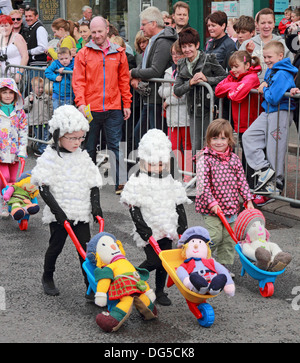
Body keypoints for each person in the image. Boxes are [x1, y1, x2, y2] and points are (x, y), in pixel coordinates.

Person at [31, 105, 103, 297]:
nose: (77, 142)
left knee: (86, 251)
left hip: (80, 211)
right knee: (56, 246)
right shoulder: (50, 157)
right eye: (72, 138)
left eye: (80, 138)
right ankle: (47, 276)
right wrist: (58, 213)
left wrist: (96, 207)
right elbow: (43, 187)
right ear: (58, 136)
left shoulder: (83, 157)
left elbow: (93, 182)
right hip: (59, 212)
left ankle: (90, 285)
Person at [120, 129, 191, 305]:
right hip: (149, 229)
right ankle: (131, 278)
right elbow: (133, 207)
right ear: (144, 162)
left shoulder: (170, 181)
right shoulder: (137, 182)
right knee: (154, 260)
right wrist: (143, 229)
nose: (157, 168)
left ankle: (160, 291)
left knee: (165, 262)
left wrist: (182, 226)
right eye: (152, 164)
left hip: (167, 227)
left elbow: (178, 204)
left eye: (160, 164)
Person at [72, 16, 132, 195]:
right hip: (91, 108)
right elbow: (78, 82)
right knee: (89, 147)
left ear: (107, 30)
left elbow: (124, 80)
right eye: (94, 32)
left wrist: (126, 103)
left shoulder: (119, 52)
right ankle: (88, 181)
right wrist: (81, 104)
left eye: (100, 31)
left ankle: (120, 182)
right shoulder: (83, 53)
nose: (97, 35)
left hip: (114, 107)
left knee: (115, 145)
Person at [195, 118, 254, 273]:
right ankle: (199, 258)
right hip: (211, 208)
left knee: (228, 240)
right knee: (215, 236)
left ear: (229, 140)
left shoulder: (234, 159)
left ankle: (222, 268)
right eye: (215, 138)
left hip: (231, 207)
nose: (219, 142)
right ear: (209, 140)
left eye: (223, 138)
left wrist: (247, 199)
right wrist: (212, 203)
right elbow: (203, 185)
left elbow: (242, 180)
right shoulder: (204, 159)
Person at [242, 41, 298, 197]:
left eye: (269, 57)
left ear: (281, 56)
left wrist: (265, 88)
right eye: (264, 57)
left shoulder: (283, 73)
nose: (266, 60)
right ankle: (265, 171)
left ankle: (275, 183)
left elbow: (273, 97)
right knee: (249, 136)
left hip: (280, 112)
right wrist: (265, 85)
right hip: (268, 111)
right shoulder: (273, 70)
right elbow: (268, 89)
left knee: (275, 148)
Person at [173, 27, 227, 154]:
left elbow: (225, 77)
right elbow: (177, 90)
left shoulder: (209, 59)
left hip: (211, 108)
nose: (187, 50)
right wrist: (190, 83)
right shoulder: (181, 63)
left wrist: (207, 79)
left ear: (197, 45)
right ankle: (198, 172)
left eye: (190, 46)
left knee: (212, 143)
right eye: (184, 46)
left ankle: (214, 172)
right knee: (196, 145)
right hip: (193, 109)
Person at [215, 51, 261, 195]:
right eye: (231, 67)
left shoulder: (252, 77)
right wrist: (233, 87)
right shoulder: (233, 78)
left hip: (251, 123)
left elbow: (236, 96)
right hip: (240, 124)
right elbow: (218, 90)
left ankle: (252, 189)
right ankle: (246, 188)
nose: (233, 70)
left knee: (250, 158)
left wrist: (231, 88)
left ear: (247, 65)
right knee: (244, 156)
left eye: (236, 66)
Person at [130, 6, 178, 144]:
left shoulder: (163, 41)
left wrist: (132, 73)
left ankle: (158, 165)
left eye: (144, 24)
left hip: (157, 99)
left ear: (154, 23)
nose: (141, 27)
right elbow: (145, 64)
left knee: (155, 139)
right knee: (139, 135)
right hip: (150, 98)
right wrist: (136, 75)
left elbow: (155, 71)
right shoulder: (154, 39)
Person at [158, 40, 192, 183]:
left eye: (178, 54)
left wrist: (168, 100)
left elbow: (184, 95)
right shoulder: (168, 71)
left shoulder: (187, 71)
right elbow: (161, 90)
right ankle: (179, 173)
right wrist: (174, 91)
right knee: (173, 146)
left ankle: (188, 175)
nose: (175, 57)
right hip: (172, 117)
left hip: (185, 116)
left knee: (187, 146)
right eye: (173, 54)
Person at [239, 8, 293, 82]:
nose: (266, 26)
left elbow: (291, 69)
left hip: (275, 89)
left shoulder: (283, 44)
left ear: (274, 24)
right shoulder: (247, 44)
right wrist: (248, 54)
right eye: (263, 23)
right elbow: (238, 69)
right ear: (257, 24)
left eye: (270, 22)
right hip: (252, 89)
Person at [0, 77, 27, 217]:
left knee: (12, 179)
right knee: (3, 177)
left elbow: (23, 131)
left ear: (15, 94)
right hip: (1, 152)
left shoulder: (19, 112)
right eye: (4, 92)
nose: (7, 95)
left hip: (14, 152)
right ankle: (3, 201)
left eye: (10, 92)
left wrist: (22, 150)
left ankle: (13, 201)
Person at [23, 76, 53, 156]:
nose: (41, 90)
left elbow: (50, 107)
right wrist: (30, 102)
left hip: (45, 121)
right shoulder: (30, 97)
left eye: (42, 87)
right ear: (33, 87)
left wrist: (50, 116)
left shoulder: (46, 97)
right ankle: (39, 147)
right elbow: (25, 107)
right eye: (38, 88)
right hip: (35, 121)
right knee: (38, 136)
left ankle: (43, 150)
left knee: (45, 136)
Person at [0, 14, 28, 82]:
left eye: (6, 25)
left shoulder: (17, 37)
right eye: (2, 26)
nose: (4, 28)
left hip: (16, 76)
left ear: (11, 26)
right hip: (2, 76)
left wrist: (20, 73)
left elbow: (25, 56)